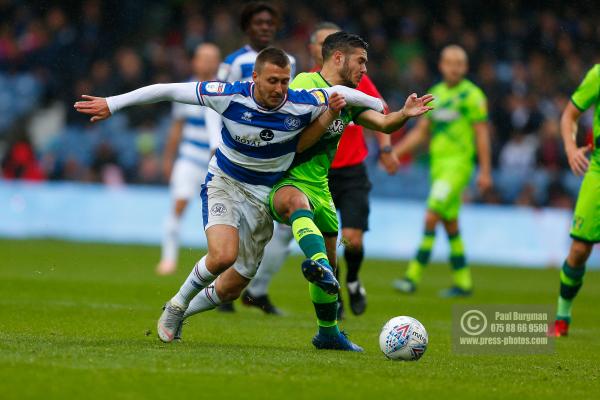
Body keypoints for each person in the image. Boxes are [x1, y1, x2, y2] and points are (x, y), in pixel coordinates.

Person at [74, 47, 388, 351]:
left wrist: (381, 105)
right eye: (272, 81)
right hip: (225, 182)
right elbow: (166, 89)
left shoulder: (301, 102)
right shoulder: (228, 94)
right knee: (223, 255)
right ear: (255, 78)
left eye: (284, 81)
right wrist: (112, 104)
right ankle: (176, 304)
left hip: (262, 195)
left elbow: (346, 96)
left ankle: (184, 311)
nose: (280, 89)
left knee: (231, 288)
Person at [267, 31, 433, 350]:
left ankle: (328, 332)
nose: (365, 69)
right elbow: (297, 142)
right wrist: (329, 110)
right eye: (361, 61)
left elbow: (383, 124)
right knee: (301, 214)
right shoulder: (303, 84)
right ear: (339, 58)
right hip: (288, 178)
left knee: (331, 266)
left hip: (321, 185)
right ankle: (314, 267)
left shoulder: (349, 96)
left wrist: (404, 115)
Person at [245, 22, 398, 318]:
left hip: (350, 169)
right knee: (286, 229)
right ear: (321, 51)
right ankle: (258, 288)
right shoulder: (300, 84)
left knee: (351, 239)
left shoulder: (357, 83)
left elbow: (383, 113)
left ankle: (350, 281)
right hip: (307, 173)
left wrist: (388, 148)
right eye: (321, 42)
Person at [392, 45, 492, 298]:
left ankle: (411, 277)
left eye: (460, 63)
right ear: (441, 65)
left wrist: (485, 171)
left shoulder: (472, 95)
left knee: (431, 216)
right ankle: (464, 282)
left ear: (466, 67)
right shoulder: (435, 94)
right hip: (438, 167)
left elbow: (482, 134)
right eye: (450, 62)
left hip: (458, 167)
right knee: (450, 224)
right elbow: (421, 133)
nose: (455, 67)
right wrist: (395, 153)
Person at [216, 1, 296, 313]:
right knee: (234, 221)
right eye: (258, 22)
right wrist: (217, 139)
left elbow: (293, 107)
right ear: (247, 27)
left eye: (269, 23)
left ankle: (258, 290)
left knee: (287, 227)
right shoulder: (234, 62)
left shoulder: (288, 61)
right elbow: (217, 102)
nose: (264, 27)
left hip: (278, 156)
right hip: (239, 153)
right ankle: (227, 286)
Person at [156, 43, 222, 276]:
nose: (206, 62)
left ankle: (220, 262)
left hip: (217, 164)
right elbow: (176, 129)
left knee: (220, 214)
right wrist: (168, 159)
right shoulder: (183, 90)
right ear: (195, 61)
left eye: (211, 58)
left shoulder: (226, 91)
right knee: (178, 205)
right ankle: (168, 259)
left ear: (218, 63)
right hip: (189, 159)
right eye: (202, 58)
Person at [551, 64, 600, 337]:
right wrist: (571, 150)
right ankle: (562, 317)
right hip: (598, 171)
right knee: (580, 250)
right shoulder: (598, 75)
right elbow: (570, 116)